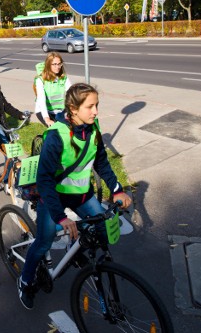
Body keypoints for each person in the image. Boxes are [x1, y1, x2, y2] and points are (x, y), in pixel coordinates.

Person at [17, 83, 133, 310]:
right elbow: (45, 181)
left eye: (97, 105)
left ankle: (76, 250)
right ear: (73, 108)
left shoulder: (93, 127)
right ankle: (25, 280)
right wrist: (61, 217)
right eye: (90, 106)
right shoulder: (56, 136)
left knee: (102, 231)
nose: (96, 111)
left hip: (82, 195)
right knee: (43, 243)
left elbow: (101, 162)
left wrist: (117, 189)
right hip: (54, 199)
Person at [34, 53, 72, 127]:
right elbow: (41, 100)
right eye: (54, 64)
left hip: (60, 110)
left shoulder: (64, 78)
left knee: (68, 129)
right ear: (48, 65)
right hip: (44, 111)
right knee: (54, 131)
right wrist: (47, 119)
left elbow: (71, 94)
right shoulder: (41, 80)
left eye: (59, 64)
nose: (57, 67)